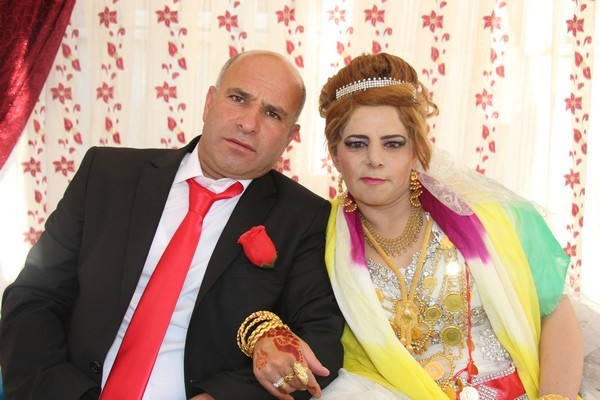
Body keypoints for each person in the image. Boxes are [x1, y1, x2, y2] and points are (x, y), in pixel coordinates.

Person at [0, 50, 344, 400]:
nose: (248, 123)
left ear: (290, 137)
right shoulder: (106, 174)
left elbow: (321, 339)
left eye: (272, 113)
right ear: (209, 102)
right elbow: (34, 298)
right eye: (238, 99)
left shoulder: (304, 217)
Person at [314, 52, 585, 399]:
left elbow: (554, 312)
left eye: (393, 144)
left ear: (416, 151)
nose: (375, 159)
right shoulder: (320, 238)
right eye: (357, 144)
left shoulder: (491, 219)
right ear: (335, 155)